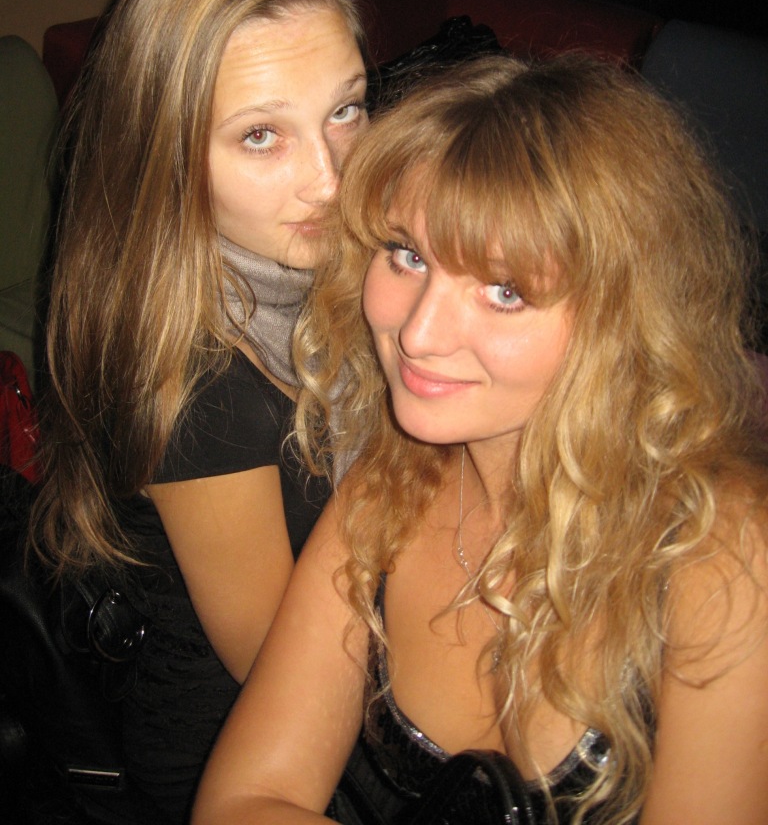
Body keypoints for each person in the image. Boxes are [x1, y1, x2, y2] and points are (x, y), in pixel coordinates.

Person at [192, 54, 768, 825]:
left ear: (622, 317)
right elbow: (243, 800)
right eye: (408, 256)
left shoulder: (720, 551)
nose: (418, 334)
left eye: (505, 290)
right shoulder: (388, 490)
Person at [25, 0, 368, 823]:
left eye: (345, 109)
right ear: (163, 152)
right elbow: (285, 674)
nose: (331, 178)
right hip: (235, 749)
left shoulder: (328, 262)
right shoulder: (201, 386)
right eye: (261, 136)